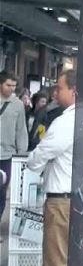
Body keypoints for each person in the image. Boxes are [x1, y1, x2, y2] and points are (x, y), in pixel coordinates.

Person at [26, 69, 77, 266]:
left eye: (60, 88)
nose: (56, 92)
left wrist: (33, 162)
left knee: (57, 264)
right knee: (76, 263)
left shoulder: (66, 121)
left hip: (61, 201)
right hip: (82, 199)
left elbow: (45, 151)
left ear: (74, 91)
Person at [0, 70, 29, 220]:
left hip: (7, 155)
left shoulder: (17, 105)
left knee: (1, 191)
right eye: (8, 85)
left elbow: (21, 130)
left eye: (14, 86)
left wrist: (22, 153)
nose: (11, 88)